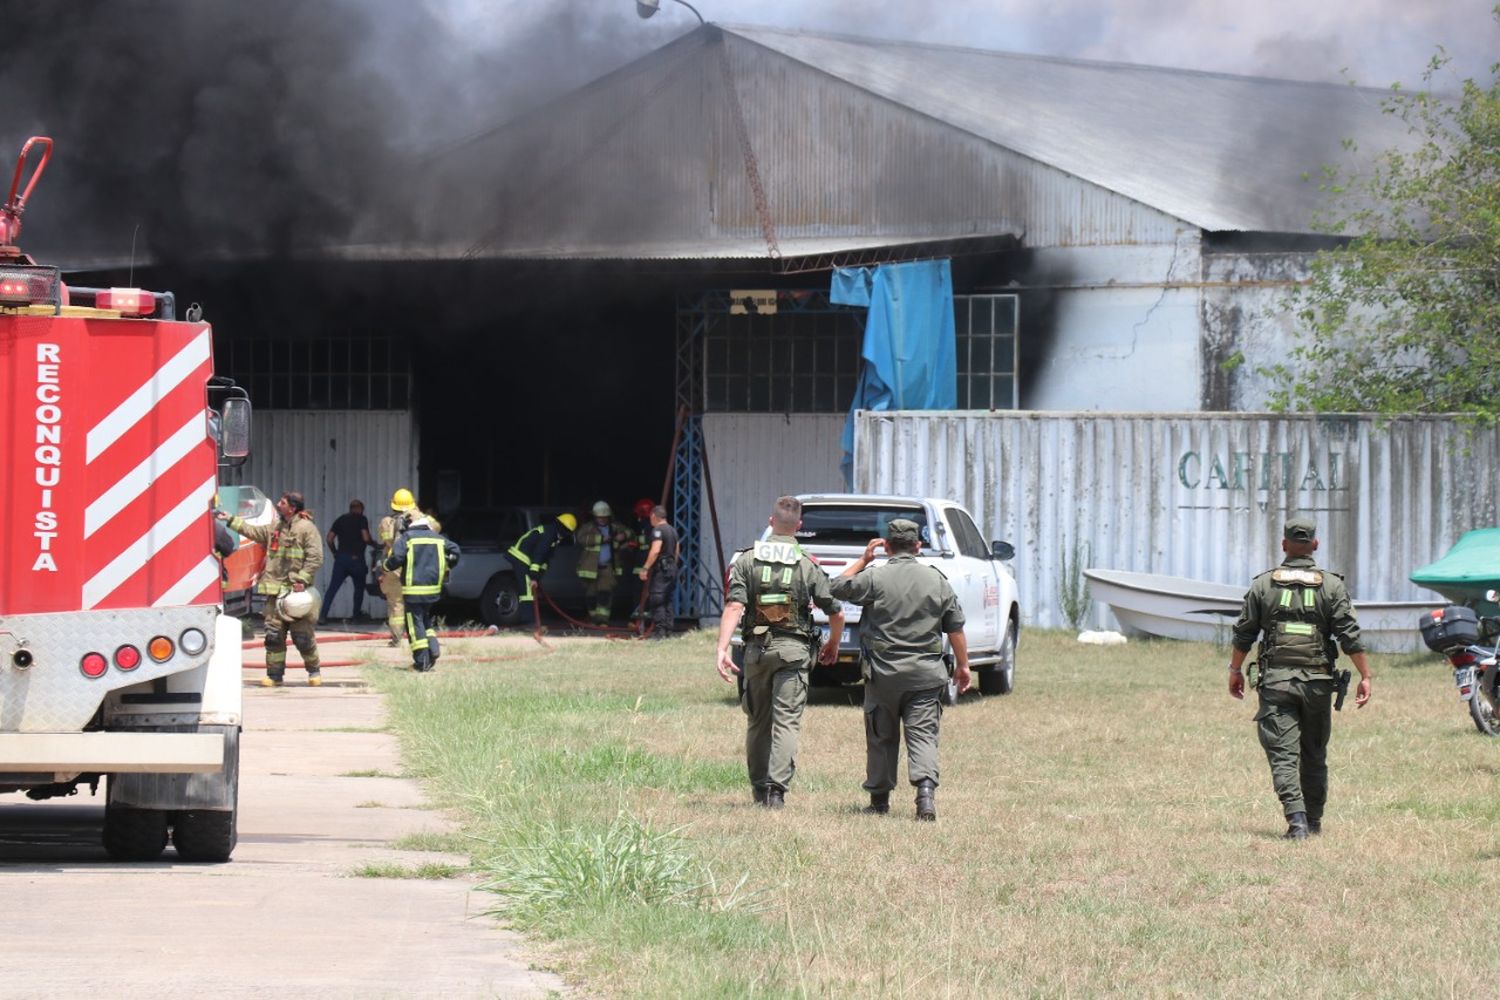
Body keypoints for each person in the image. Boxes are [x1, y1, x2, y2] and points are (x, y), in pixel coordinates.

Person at [1229, 515, 1373, 839]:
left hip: (1277, 683)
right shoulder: (1332, 585)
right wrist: (1366, 675)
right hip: (1318, 685)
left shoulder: (1263, 584)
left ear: (1284, 545)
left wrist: (1235, 669)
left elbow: (1244, 633)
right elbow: (1349, 636)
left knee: (1283, 753)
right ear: (1315, 544)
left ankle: (1296, 822)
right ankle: (1314, 822)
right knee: (1314, 754)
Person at [829, 519, 970, 821]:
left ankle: (879, 801)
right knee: (923, 735)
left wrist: (864, 560)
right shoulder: (937, 580)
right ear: (918, 546)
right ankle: (925, 796)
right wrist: (964, 665)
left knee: (881, 735)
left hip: (883, 675)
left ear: (887, 547)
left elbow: (836, 587)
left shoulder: (875, 578)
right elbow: (955, 627)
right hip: (925, 674)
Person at [715, 496, 844, 808]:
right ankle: (776, 792)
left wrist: (721, 648)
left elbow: (735, 605)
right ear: (799, 527)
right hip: (793, 653)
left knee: (758, 721)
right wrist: (833, 644)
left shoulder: (746, 560)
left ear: (770, 522)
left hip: (756, 652)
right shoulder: (807, 564)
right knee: (786, 721)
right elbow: (836, 612)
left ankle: (759, 789)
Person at [219, 490, 325, 687]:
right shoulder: (276, 526)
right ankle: (275, 676)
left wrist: (302, 578)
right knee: (273, 636)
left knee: (302, 636)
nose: (278, 503)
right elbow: (255, 532)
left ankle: (314, 671)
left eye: (282, 502)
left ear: (292, 508)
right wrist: (230, 519)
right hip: (274, 594)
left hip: (296, 594)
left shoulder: (306, 529)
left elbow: (315, 557)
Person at [385, 512, 460, 672]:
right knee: (425, 621)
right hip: (432, 591)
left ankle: (422, 662)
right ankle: (433, 649)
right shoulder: (438, 538)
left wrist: (384, 566)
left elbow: (396, 558)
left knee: (414, 625)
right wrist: (447, 565)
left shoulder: (408, 538)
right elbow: (455, 551)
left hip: (413, 591)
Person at [506, 513, 578, 614]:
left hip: (526, 558)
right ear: (562, 527)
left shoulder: (555, 537)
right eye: (566, 531)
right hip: (521, 557)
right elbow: (539, 554)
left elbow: (545, 559)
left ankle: (531, 623)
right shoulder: (549, 534)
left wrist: (538, 577)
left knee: (529, 590)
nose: (566, 534)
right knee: (528, 592)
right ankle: (528, 624)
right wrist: (534, 577)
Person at [575, 501, 632, 625]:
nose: (601, 519)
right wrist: (600, 539)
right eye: (599, 517)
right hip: (590, 569)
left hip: (608, 568)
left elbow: (631, 533)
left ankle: (602, 621)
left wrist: (624, 535)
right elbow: (580, 538)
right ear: (595, 516)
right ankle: (593, 618)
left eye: (604, 517)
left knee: (605, 594)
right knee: (591, 595)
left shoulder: (616, 527)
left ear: (608, 516)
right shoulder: (588, 527)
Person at [374, 489, 417, 646]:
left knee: (396, 603)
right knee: (416, 602)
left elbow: (385, 543)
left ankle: (397, 638)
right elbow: (436, 528)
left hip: (394, 565)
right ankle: (418, 636)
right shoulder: (418, 521)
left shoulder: (387, 522)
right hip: (413, 564)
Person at [320, 499, 372, 625]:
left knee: (332, 589)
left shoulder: (341, 519)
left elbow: (329, 538)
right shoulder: (362, 519)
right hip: (357, 559)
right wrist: (374, 544)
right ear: (360, 509)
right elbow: (365, 537)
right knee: (358, 589)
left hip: (341, 559)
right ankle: (356, 616)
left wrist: (335, 553)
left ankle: (322, 616)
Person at [637, 505, 680, 638]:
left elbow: (655, 550)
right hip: (671, 568)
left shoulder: (658, 531)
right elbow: (677, 551)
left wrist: (645, 568)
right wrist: (673, 565)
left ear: (653, 516)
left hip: (662, 570)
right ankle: (669, 631)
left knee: (657, 599)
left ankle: (660, 633)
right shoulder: (673, 530)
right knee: (667, 600)